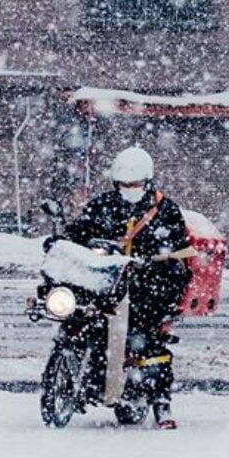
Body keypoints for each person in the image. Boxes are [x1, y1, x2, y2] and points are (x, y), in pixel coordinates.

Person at [64, 146, 192, 429]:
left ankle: (160, 401)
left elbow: (180, 250)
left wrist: (156, 260)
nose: (129, 189)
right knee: (82, 313)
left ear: (148, 182)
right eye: (123, 185)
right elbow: (80, 230)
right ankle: (88, 375)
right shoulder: (104, 204)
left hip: (150, 284)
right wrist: (62, 241)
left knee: (145, 337)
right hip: (107, 280)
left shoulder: (165, 210)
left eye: (134, 185)